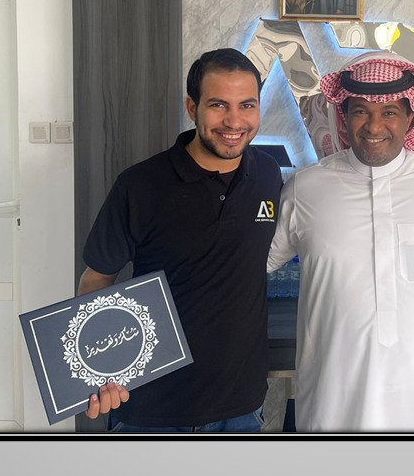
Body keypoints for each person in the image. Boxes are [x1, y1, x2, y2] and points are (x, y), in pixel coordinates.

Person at [78, 48, 283, 432]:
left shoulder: (268, 175)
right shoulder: (140, 186)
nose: (234, 121)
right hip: (151, 410)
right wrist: (97, 368)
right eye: (218, 105)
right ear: (192, 107)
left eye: (247, 105)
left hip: (241, 406)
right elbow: (97, 277)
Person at [267, 51, 414, 432]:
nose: (374, 125)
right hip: (334, 406)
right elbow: (252, 264)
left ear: (411, 117)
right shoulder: (305, 188)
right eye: (361, 111)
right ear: (344, 117)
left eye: (389, 112)